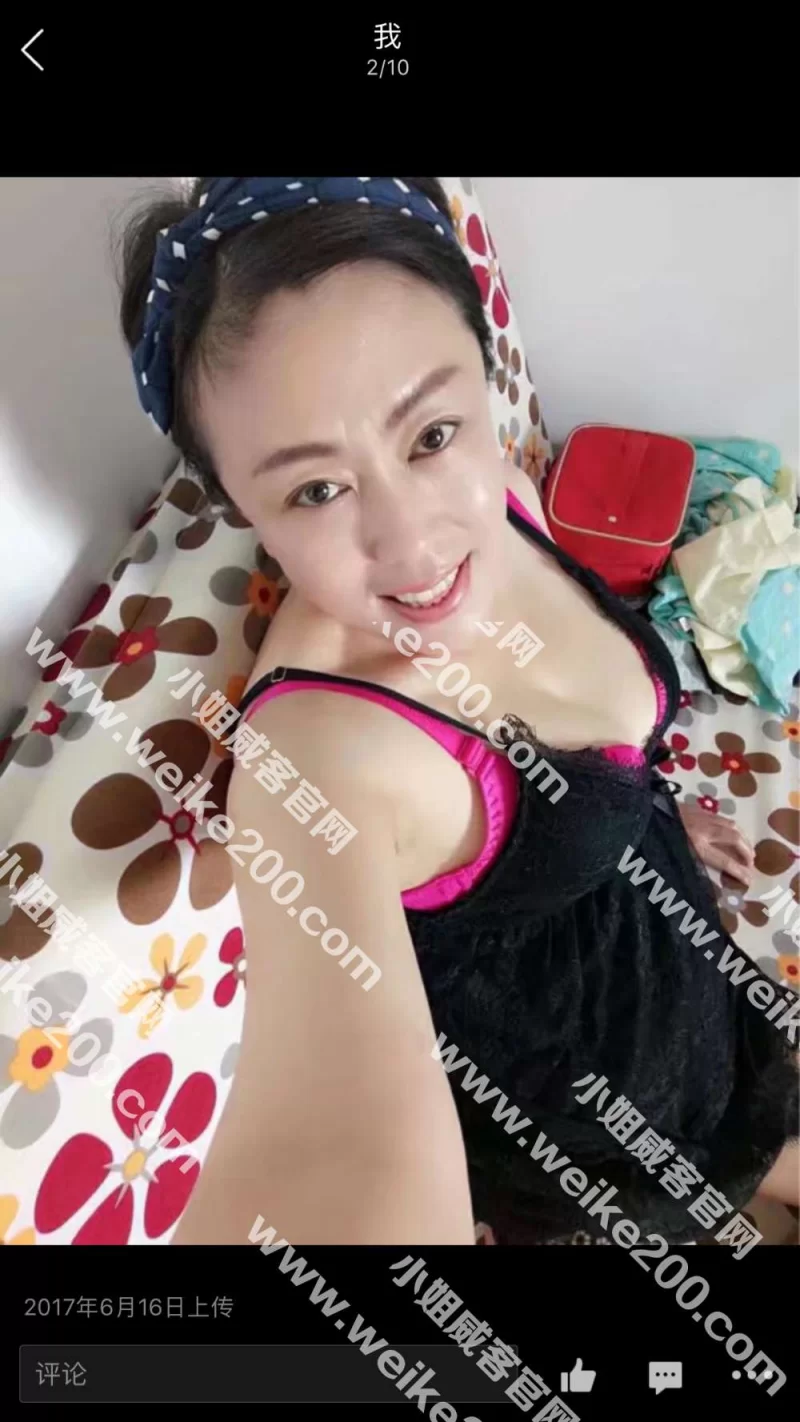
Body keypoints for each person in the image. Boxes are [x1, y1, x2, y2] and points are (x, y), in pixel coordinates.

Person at [117, 176, 798, 1245]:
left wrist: (636, 811)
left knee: (752, 1119)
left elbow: (591, 720)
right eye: (314, 491)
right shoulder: (319, 756)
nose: (412, 540)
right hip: (581, 1093)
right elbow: (330, 1153)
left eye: (431, 434)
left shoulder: (511, 503)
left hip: (679, 966)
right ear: (243, 507)